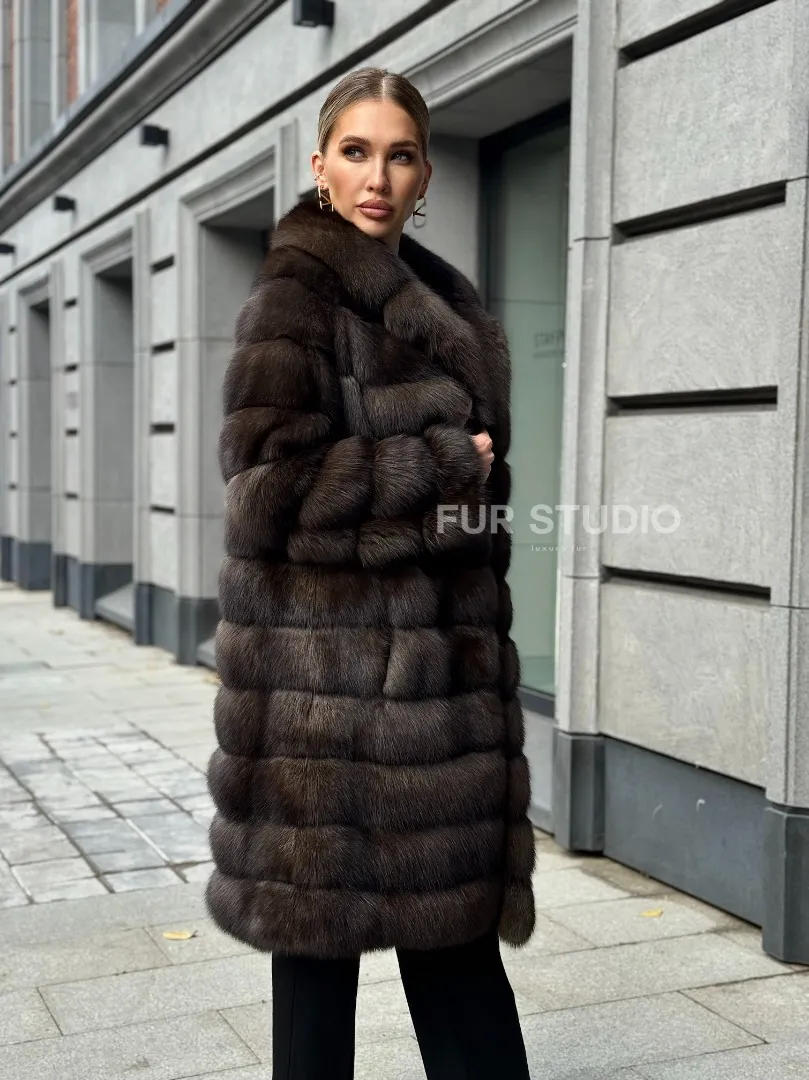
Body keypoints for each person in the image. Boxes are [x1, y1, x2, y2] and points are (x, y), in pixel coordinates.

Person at [205, 66, 536, 1080]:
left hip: (437, 709)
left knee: (459, 966)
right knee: (317, 982)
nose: (377, 177)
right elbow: (267, 491)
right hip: (325, 710)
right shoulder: (295, 299)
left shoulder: (443, 301)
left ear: (426, 172)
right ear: (320, 165)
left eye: (399, 155)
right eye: (355, 152)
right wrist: (437, 462)